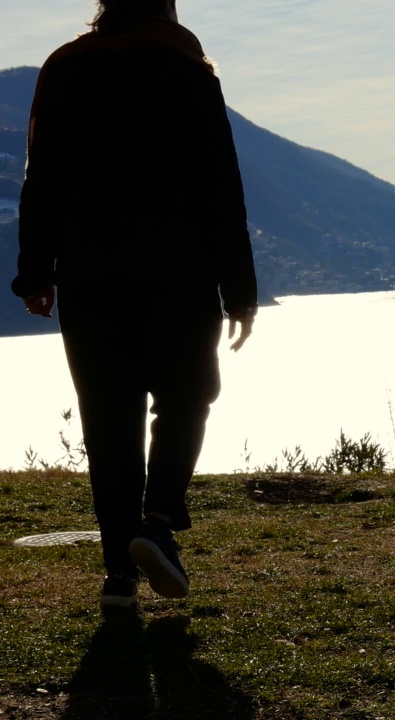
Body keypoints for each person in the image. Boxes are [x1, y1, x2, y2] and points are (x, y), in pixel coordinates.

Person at [11, 0, 257, 612]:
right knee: (187, 397)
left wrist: (34, 274)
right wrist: (240, 289)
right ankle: (160, 522)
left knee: (107, 417)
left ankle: (118, 576)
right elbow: (220, 184)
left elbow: (42, 178)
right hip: (181, 270)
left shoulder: (65, 68)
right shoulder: (188, 71)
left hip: (92, 273)